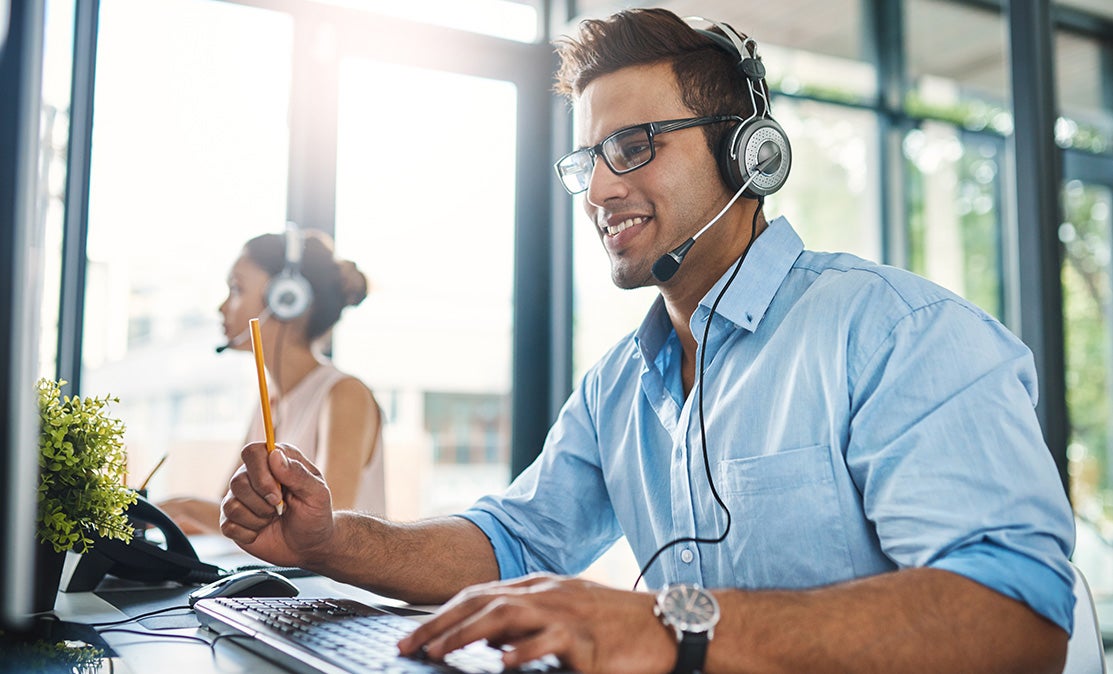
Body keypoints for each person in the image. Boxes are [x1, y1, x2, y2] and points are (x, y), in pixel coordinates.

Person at [219, 9, 1075, 673]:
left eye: (632, 147)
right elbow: (511, 542)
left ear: (750, 157)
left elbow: (1014, 621)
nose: (597, 187)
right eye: (587, 158)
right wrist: (334, 544)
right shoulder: (618, 386)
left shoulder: (898, 334)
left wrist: (667, 626)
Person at [160, 228, 384, 535]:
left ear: (285, 298)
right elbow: (229, 513)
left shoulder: (345, 395)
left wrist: (184, 507)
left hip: (330, 585)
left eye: (236, 289)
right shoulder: (271, 401)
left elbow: (327, 528)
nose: (222, 307)